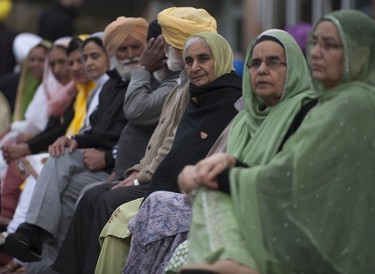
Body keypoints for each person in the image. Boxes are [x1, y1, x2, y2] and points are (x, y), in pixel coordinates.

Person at [178, 10, 375, 274]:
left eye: (330, 46)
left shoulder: (347, 104)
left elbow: (290, 178)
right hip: (276, 207)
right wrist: (227, 167)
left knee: (207, 199)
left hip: (322, 236)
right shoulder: (245, 118)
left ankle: (237, 262)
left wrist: (222, 175)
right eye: (315, 44)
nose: (316, 53)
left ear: (360, 53)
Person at [125, 29, 318, 274]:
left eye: (273, 62)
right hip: (230, 212)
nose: (262, 70)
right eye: (255, 63)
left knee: (162, 211)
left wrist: (216, 175)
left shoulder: (307, 114)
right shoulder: (245, 119)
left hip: (276, 222)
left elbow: (288, 183)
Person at [53, 7, 218, 274]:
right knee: (90, 196)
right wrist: (135, 171)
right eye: (122, 49)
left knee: (104, 200)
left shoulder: (185, 84)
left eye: (167, 45)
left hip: (165, 181)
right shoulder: (174, 84)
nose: (161, 53)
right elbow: (155, 139)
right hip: (139, 172)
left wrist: (138, 177)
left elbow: (147, 119)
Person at [2, 17, 148, 273]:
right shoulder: (111, 86)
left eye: (135, 48)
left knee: (70, 192)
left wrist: (108, 158)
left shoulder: (148, 86)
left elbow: (145, 140)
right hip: (91, 159)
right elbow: (94, 131)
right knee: (58, 156)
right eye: (122, 50)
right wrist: (73, 140)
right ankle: (30, 235)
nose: (128, 55)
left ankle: (39, 256)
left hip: (121, 167)